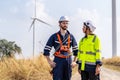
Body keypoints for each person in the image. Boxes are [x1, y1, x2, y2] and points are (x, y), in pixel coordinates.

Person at [43, 16, 78, 80]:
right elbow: (46, 50)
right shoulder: (54, 37)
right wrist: (50, 62)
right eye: (64, 23)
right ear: (59, 24)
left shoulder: (71, 37)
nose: (65, 25)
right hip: (58, 61)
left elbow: (76, 51)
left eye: (67, 23)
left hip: (68, 61)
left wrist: (74, 61)